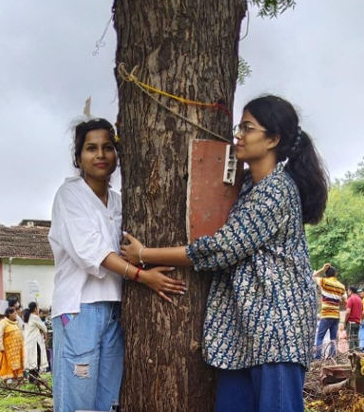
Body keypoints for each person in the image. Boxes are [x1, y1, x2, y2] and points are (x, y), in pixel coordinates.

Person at [121, 96, 329, 412]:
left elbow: (221, 248)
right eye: (239, 127)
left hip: (277, 332)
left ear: (273, 139)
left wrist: (144, 254)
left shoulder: (276, 191)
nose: (238, 135)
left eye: (248, 128)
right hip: (243, 333)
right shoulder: (247, 186)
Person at [49, 118, 185, 412]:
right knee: (77, 402)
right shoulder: (70, 196)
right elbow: (92, 254)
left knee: (109, 401)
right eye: (91, 148)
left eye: (107, 147)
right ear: (78, 157)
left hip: (115, 310)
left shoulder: (121, 202)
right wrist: (143, 276)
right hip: (79, 308)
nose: (100, 155)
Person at [312, 263, 346, 358]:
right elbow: (345, 301)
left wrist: (322, 269)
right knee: (333, 338)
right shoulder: (341, 286)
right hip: (336, 315)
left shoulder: (324, 282)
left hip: (326, 314)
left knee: (320, 337)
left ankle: (318, 357)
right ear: (335, 274)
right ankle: (332, 357)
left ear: (326, 274)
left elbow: (312, 276)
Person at [0, 307, 24, 382]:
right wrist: (1, 346)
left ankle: (16, 377)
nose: (16, 315)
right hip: (7, 349)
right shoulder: (3, 322)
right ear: (9, 314)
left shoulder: (15, 323)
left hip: (16, 350)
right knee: (8, 364)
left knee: (17, 364)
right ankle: (9, 379)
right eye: (14, 313)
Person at [22, 302, 48, 380]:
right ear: (35, 308)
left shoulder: (27, 316)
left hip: (28, 341)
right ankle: (34, 379)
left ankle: (32, 379)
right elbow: (44, 328)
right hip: (34, 342)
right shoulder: (34, 317)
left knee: (31, 360)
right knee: (36, 360)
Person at [344, 285, 362, 351]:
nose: (348, 292)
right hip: (357, 322)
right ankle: (358, 355)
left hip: (351, 322)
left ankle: (351, 355)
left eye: (348, 290)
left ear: (351, 291)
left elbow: (348, 312)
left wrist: (345, 322)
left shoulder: (350, 299)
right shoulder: (360, 299)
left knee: (350, 339)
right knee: (356, 339)